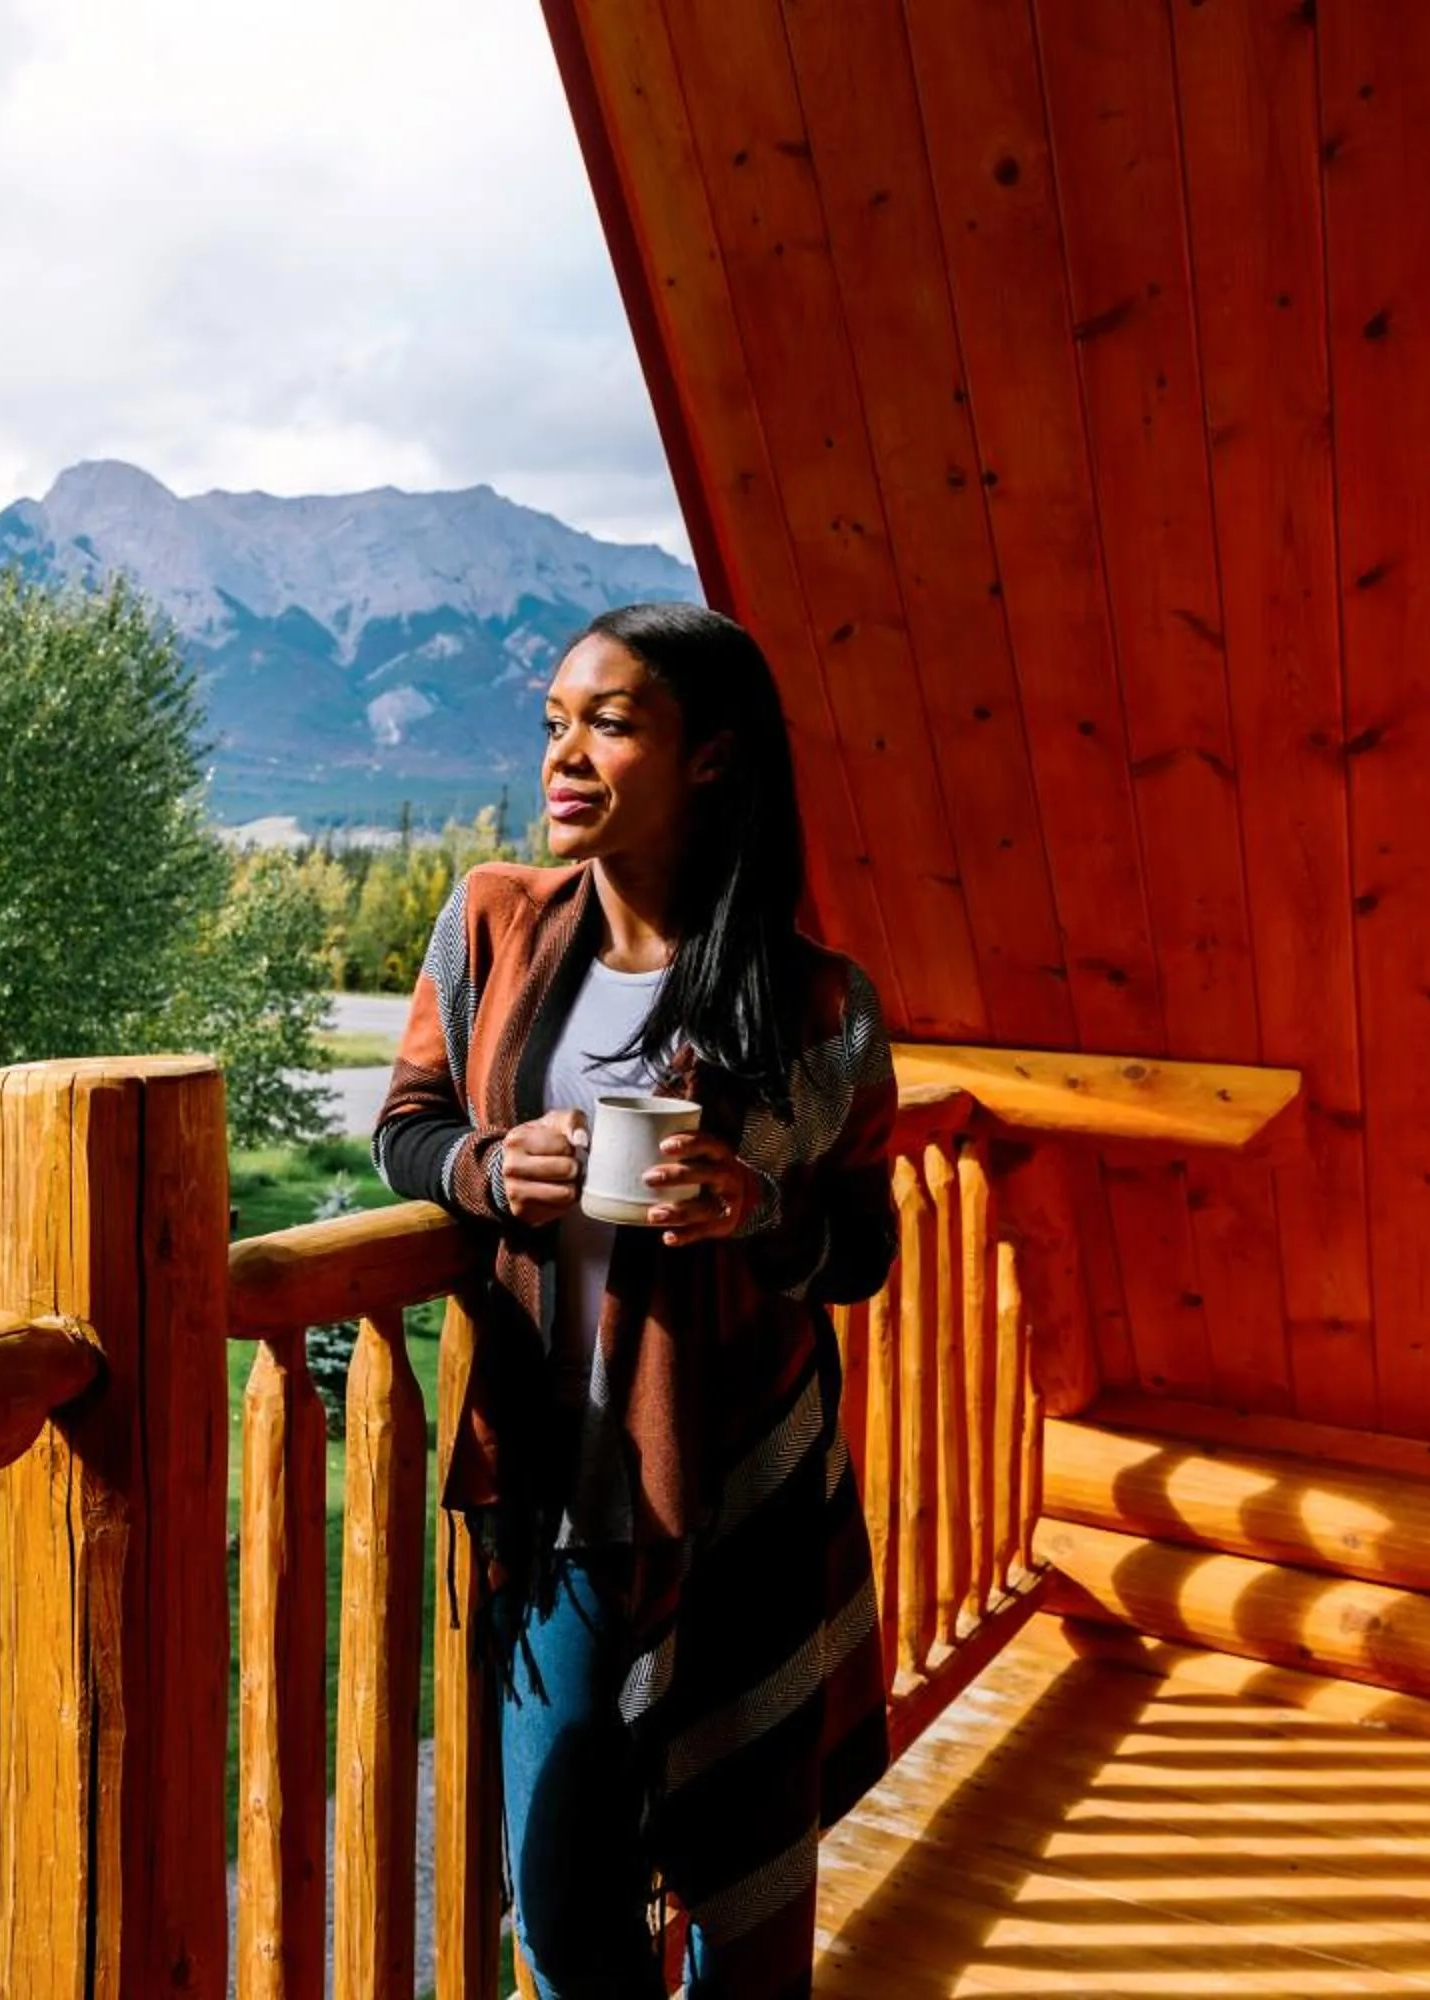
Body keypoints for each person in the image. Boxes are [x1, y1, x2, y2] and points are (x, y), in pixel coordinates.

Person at [373, 602, 895, 1998]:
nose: (566, 754)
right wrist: (491, 1167)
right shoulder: (489, 926)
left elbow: (861, 1246)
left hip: (741, 1485)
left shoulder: (818, 1007)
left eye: (610, 723)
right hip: (556, 1496)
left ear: (712, 759)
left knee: (748, 1902)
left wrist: (760, 1215)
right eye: (555, 723)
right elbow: (406, 1125)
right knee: (560, 1903)